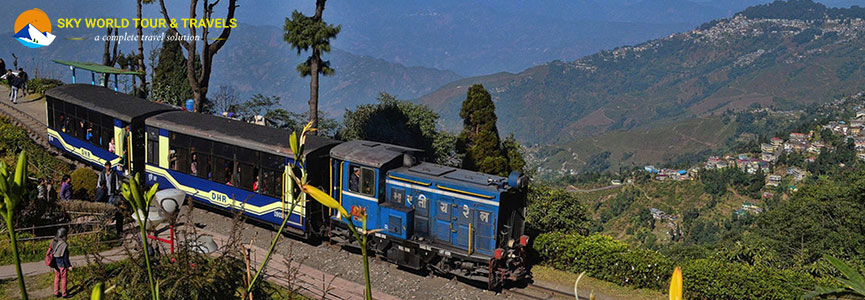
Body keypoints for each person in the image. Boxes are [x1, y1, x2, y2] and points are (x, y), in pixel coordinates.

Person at [50, 227, 71, 298]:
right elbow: (65, 257)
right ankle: (64, 294)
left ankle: (56, 292)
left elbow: (51, 253)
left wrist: (51, 265)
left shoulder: (54, 242)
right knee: (63, 278)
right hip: (62, 263)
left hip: (55, 263)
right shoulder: (64, 244)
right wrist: (69, 266)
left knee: (56, 277)